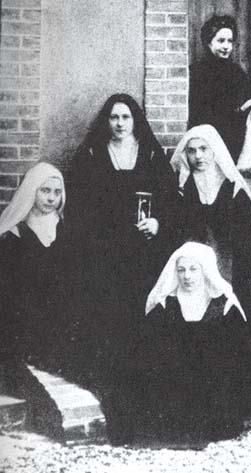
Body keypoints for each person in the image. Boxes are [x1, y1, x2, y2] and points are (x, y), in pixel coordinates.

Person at [66, 94, 179, 353]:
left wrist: (158, 223)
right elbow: (78, 202)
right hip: (105, 248)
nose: (120, 123)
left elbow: (171, 199)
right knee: (107, 309)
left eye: (126, 117)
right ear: (106, 121)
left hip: (144, 248)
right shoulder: (92, 154)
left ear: (135, 120)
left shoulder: (151, 154)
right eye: (114, 117)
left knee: (141, 307)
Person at [138, 242, 246, 445]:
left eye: (193, 269)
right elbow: (152, 352)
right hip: (176, 382)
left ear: (205, 270)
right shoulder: (166, 305)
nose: (187, 276)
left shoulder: (223, 306)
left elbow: (236, 354)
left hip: (213, 383)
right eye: (181, 270)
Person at [170, 124, 251, 323]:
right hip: (191, 272)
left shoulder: (233, 189)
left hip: (229, 268)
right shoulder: (182, 188)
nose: (198, 156)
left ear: (214, 150)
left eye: (204, 149)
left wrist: (238, 274)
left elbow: (250, 237)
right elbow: (174, 230)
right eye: (192, 150)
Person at [0, 162, 68, 366]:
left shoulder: (65, 229)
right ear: (32, 191)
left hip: (59, 307)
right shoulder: (16, 232)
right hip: (26, 308)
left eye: (57, 192)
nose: (51, 198)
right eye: (45, 191)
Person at [189, 14, 251, 163]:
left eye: (230, 41)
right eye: (221, 41)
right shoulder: (197, 72)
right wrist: (239, 110)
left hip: (235, 139)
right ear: (209, 43)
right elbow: (202, 113)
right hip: (208, 140)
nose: (226, 46)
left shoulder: (236, 72)